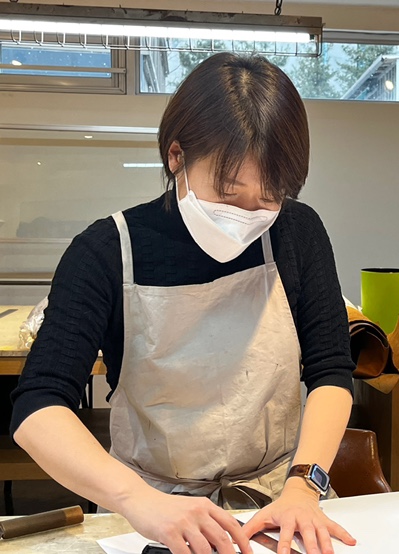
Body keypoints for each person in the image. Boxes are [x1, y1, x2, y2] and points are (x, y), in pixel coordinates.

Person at [10, 53, 357, 554]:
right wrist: (138, 501)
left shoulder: (298, 232)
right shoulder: (105, 251)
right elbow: (38, 407)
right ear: (177, 156)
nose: (248, 214)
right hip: (151, 509)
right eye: (229, 193)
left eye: (269, 197)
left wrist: (305, 485)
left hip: (277, 501)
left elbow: (331, 371)